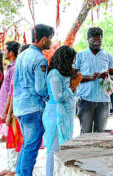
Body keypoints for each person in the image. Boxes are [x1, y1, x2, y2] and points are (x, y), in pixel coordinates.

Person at [13, 24, 54, 175]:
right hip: (33, 107)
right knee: (31, 147)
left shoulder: (22, 55)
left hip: (19, 107)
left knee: (27, 145)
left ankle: (20, 173)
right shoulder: (40, 59)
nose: (50, 42)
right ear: (44, 39)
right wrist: (50, 97)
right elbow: (40, 88)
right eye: (50, 38)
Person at [42, 45, 82, 176]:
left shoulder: (62, 74)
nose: (72, 63)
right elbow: (58, 97)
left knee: (62, 148)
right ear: (65, 59)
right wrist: (72, 87)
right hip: (55, 115)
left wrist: (73, 86)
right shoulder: (54, 74)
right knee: (53, 150)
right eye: (71, 60)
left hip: (64, 115)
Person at [73, 27, 113, 134]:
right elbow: (73, 78)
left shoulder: (108, 57)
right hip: (85, 100)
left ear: (102, 39)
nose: (97, 43)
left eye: (99, 41)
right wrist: (89, 77)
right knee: (85, 133)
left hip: (103, 101)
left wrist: (107, 76)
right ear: (87, 39)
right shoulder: (80, 55)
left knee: (100, 134)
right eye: (94, 41)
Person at [0, 41, 20, 176]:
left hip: (10, 111)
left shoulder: (15, 68)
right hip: (5, 109)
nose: (4, 52)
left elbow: (11, 93)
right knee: (8, 138)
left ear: (11, 53)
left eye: (5, 50)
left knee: (13, 138)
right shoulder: (10, 67)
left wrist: (8, 113)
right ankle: (10, 166)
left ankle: (14, 168)